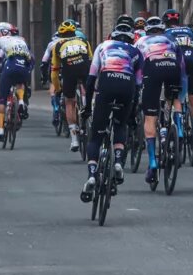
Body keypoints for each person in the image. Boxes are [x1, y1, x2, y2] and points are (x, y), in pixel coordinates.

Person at [80, 24, 142, 202]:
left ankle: (92, 174)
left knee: (96, 137)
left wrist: (87, 107)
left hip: (106, 84)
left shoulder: (102, 46)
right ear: (131, 39)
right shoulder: (136, 52)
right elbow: (138, 86)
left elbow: (91, 80)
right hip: (127, 85)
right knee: (120, 125)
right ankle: (117, 161)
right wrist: (131, 112)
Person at [136, 17, 187, 184]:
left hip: (153, 70)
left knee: (150, 117)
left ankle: (152, 163)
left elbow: (136, 67)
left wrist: (138, 87)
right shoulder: (170, 39)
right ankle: (178, 129)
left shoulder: (141, 41)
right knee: (173, 98)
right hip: (173, 68)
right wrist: (182, 89)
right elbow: (182, 65)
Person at [49, 20, 93, 152]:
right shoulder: (84, 41)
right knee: (89, 91)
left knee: (69, 102)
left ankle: (74, 140)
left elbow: (54, 72)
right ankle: (89, 109)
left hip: (69, 72)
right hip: (85, 68)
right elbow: (91, 60)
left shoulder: (57, 45)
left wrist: (58, 89)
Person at [164, 9, 193, 148]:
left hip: (177, 64)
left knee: (174, 98)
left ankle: (179, 130)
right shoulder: (189, 31)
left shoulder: (166, 33)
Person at [0, 26, 34, 141]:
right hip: (24, 67)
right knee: (20, 82)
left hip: (9, 67)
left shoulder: (0, 40)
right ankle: (21, 102)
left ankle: (0, 130)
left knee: (2, 99)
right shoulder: (22, 41)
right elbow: (31, 59)